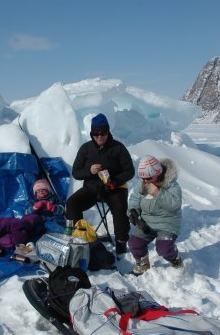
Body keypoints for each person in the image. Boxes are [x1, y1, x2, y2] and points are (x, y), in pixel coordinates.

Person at [65, 113, 135, 255]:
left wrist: (115, 180)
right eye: (95, 134)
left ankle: (121, 243)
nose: (99, 137)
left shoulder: (118, 148)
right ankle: (78, 238)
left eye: (103, 133)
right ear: (92, 134)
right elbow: (76, 172)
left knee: (120, 209)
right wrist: (89, 171)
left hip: (115, 188)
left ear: (108, 131)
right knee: (72, 203)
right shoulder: (86, 149)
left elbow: (130, 171)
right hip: (92, 188)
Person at [127, 155, 183, 275]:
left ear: (158, 173)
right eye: (143, 178)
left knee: (163, 248)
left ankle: (175, 258)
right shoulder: (143, 183)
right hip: (147, 222)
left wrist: (158, 193)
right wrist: (133, 210)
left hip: (167, 222)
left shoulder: (172, 185)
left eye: (148, 178)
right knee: (134, 243)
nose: (146, 181)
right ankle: (143, 263)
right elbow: (135, 198)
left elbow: (174, 205)